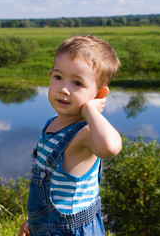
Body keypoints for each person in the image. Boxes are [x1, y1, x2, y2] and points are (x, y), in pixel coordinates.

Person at [18, 35, 122, 236]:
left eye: (77, 83)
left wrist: (91, 111)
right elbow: (53, 191)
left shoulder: (84, 133)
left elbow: (110, 147)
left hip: (72, 230)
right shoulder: (52, 123)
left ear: (99, 95)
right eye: (58, 77)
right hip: (47, 225)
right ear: (50, 76)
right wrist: (34, 220)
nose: (64, 89)